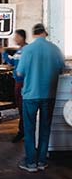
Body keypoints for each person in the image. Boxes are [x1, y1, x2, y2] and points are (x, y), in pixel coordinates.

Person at [16, 23, 65, 172]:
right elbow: (61, 69)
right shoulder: (55, 49)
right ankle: (42, 161)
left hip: (30, 95)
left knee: (30, 129)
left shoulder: (28, 50)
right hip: (49, 95)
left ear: (34, 34)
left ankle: (31, 163)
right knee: (45, 128)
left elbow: (19, 73)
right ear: (45, 33)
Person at [0, 29, 27, 143]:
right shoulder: (20, 51)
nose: (14, 39)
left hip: (23, 82)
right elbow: (12, 62)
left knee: (23, 108)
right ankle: (23, 131)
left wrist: (4, 54)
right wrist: (4, 53)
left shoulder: (25, 50)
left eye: (16, 37)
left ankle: (23, 132)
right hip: (19, 82)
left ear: (21, 37)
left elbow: (15, 64)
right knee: (21, 108)